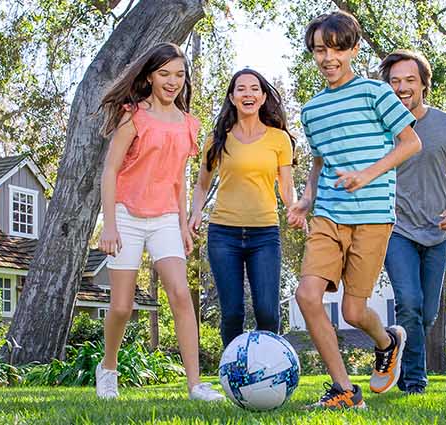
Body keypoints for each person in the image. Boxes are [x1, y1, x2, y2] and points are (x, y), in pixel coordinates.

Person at [289, 10, 423, 410]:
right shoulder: (311, 110)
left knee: (352, 310)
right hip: (329, 212)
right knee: (307, 295)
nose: (328, 58)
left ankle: (388, 341)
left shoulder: (375, 93)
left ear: (353, 49)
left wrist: (365, 175)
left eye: (336, 49)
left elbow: (409, 143)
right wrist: (307, 197)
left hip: (372, 215)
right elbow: (318, 161)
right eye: (319, 50)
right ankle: (344, 390)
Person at [94, 42, 223, 402]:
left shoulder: (187, 123)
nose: (172, 81)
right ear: (150, 76)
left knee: (181, 295)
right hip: (126, 214)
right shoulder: (132, 115)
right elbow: (110, 170)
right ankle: (108, 368)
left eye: (179, 74)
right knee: (121, 306)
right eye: (165, 74)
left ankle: (195, 385)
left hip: (166, 215)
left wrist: (182, 224)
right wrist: (110, 225)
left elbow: (178, 178)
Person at [379, 49, 446, 395]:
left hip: (436, 232)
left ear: (423, 85)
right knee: (409, 302)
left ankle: (395, 347)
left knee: (428, 315)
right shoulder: (379, 126)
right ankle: (415, 382)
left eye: (409, 80)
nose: (402, 87)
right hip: (395, 229)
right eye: (395, 81)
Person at [187, 69, 297, 347]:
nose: (248, 94)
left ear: (262, 97)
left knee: (268, 313)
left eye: (254, 89)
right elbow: (201, 185)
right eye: (241, 89)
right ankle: (232, 377)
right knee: (233, 313)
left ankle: (272, 373)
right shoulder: (217, 139)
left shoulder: (279, 139)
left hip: (264, 234)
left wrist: (295, 208)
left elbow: (286, 186)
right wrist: (196, 211)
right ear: (232, 97)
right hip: (224, 234)